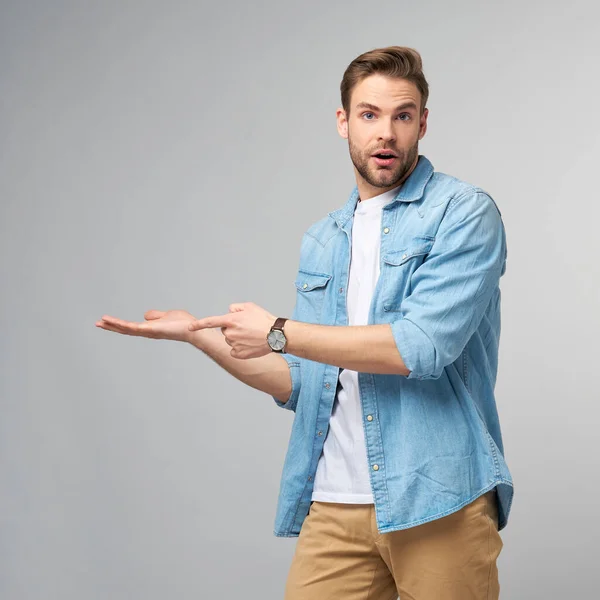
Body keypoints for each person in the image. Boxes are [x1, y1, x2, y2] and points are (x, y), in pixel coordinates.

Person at [96, 46, 513, 600]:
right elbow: (303, 381)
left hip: (437, 497)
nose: (385, 132)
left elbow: (422, 346)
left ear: (422, 123)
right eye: (369, 114)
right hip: (335, 504)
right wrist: (199, 336)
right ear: (343, 122)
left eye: (402, 115)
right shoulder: (323, 239)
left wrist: (280, 330)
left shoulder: (463, 213)